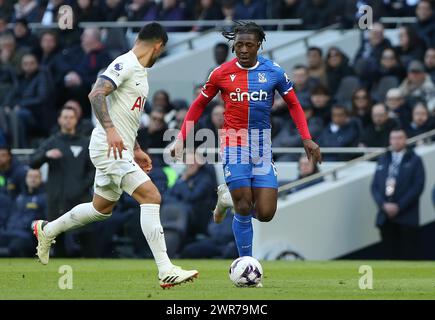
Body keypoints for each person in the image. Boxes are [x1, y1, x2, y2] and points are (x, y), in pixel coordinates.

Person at [31, 22, 198, 289]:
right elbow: (96, 93)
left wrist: (136, 148)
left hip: (119, 149)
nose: (159, 56)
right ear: (158, 45)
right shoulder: (125, 63)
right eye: (161, 51)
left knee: (100, 210)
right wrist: (109, 130)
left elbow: (127, 118)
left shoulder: (140, 72)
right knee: (151, 196)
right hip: (107, 148)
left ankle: (47, 230)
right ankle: (166, 269)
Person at [170, 22, 321, 268]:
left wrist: (306, 136)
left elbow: (293, 104)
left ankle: (227, 199)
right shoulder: (220, 73)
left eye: (248, 44)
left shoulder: (274, 72)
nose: (242, 49)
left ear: (258, 45)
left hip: (262, 145)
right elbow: (198, 105)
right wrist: (180, 137)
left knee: (265, 213)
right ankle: (246, 264)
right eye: (238, 44)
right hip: (233, 141)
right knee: (244, 204)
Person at [29, 106, 95, 256]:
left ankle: (92, 269)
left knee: (87, 238)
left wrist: (81, 186)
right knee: (58, 242)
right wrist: (46, 155)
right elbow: (32, 161)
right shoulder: (52, 142)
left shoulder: (85, 143)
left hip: (80, 199)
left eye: (71, 117)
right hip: (56, 200)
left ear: (76, 120)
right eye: (65, 117)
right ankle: (59, 271)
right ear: (59, 120)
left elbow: (94, 170)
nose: (68, 120)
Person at [371, 128, 425, 260]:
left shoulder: (414, 160)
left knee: (408, 256)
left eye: (399, 138)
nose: (396, 141)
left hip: (407, 217)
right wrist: (384, 205)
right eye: (393, 138)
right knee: (389, 255)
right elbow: (374, 186)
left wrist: (399, 206)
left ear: (405, 139)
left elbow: (417, 186)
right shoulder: (383, 159)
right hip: (385, 217)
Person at [0, 169, 46, 257]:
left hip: (26, 235)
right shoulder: (19, 197)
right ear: (26, 179)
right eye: (30, 176)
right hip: (9, 232)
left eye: (36, 177)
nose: (32, 179)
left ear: (41, 180)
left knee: (15, 247)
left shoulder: (44, 198)